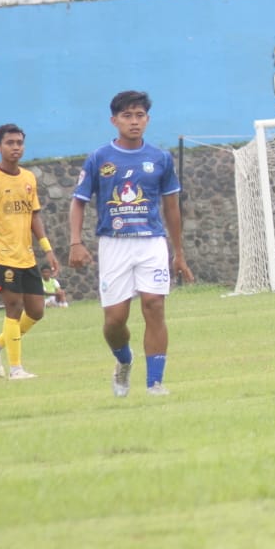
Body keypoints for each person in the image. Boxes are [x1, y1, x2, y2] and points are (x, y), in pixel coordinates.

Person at [68, 90, 193, 397]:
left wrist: (178, 253)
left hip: (151, 242)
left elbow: (171, 207)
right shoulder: (99, 158)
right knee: (114, 321)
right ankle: (124, 361)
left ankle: (155, 384)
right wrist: (75, 242)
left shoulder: (161, 158)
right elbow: (79, 201)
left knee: (154, 306)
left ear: (147, 119)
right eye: (127, 116)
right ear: (114, 121)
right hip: (113, 244)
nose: (134, 121)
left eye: (139, 115)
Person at [0, 124, 61, 380]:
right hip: (1, 254)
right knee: (14, 306)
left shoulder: (28, 178)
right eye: (10, 143)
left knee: (37, 310)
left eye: (19, 142)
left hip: (26, 255)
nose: (16, 147)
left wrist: (47, 249)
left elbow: (34, 216)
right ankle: (16, 369)